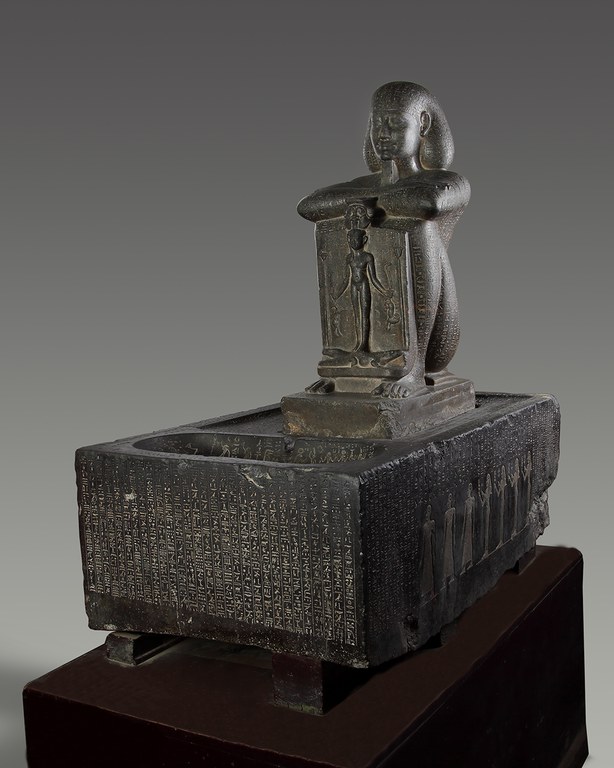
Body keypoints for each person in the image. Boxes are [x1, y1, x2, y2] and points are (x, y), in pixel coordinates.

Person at [298, 82, 470, 398]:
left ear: (423, 125)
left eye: (395, 124)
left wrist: (361, 203)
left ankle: (413, 369)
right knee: (339, 225)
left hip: (435, 337)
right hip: (372, 310)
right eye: (378, 125)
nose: (384, 135)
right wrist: (368, 204)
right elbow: (309, 206)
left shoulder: (448, 181)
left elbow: (427, 203)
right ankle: (346, 369)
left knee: (416, 225)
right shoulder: (363, 184)